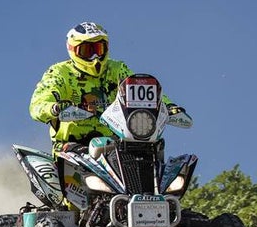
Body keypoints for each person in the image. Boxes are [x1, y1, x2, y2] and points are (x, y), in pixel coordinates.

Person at [29, 22, 184, 151]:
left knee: (153, 149)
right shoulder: (60, 73)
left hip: (116, 143)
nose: (95, 58)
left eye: (98, 50)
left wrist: (167, 105)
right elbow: (38, 103)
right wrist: (54, 108)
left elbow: (140, 90)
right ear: (73, 50)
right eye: (87, 51)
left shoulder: (117, 69)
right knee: (62, 166)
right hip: (72, 145)